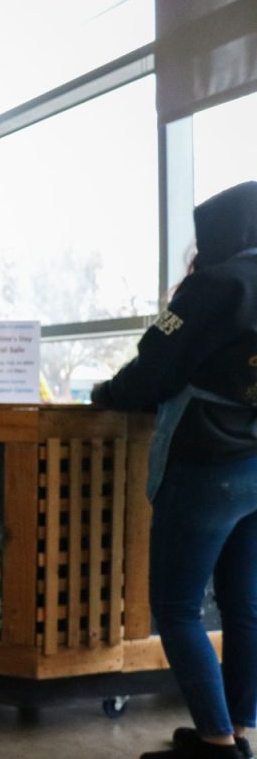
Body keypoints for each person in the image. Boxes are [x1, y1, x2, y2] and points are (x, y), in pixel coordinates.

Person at [92, 181, 257, 759]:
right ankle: (237, 731)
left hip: (207, 458)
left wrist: (108, 392)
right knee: (246, 604)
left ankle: (214, 742)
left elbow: (155, 367)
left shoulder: (216, 284)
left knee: (179, 605)